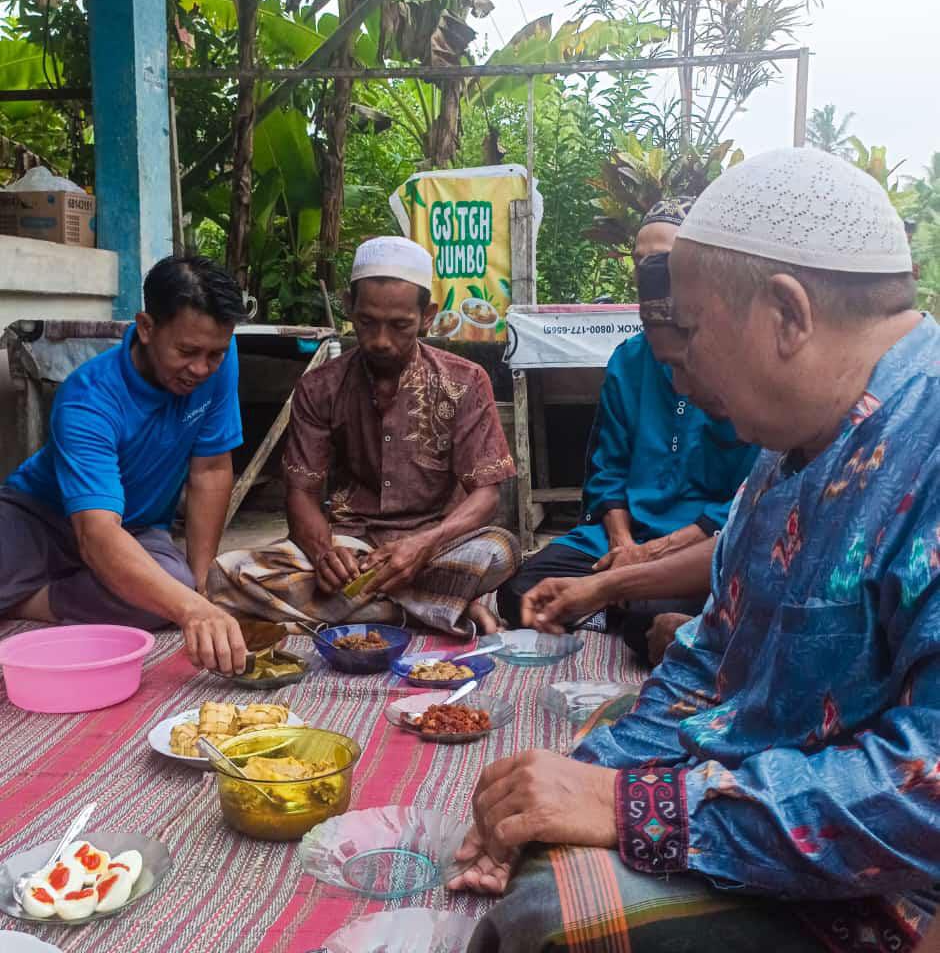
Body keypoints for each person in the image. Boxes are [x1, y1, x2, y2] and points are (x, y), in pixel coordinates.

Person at [450, 148, 940, 951]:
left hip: (894, 891)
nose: (688, 378)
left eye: (700, 333)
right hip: (761, 785)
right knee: (566, 769)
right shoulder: (788, 451)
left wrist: (629, 808)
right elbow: (710, 654)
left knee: (550, 920)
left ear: (787, 316)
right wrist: (581, 782)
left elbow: (925, 796)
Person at [208, 236, 520, 637]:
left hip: (435, 549)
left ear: (428, 315)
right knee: (227, 576)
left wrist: (424, 543)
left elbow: (486, 496)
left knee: (500, 551)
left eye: (400, 325)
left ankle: (377, 607)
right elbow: (301, 493)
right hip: (349, 547)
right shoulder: (320, 387)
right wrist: (324, 554)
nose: (381, 341)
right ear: (349, 306)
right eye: (367, 322)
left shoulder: (466, 381)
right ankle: (424, 610)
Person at [497, 200, 758, 665]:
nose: (649, 270)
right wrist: (624, 546)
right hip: (626, 538)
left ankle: (609, 606)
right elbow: (609, 469)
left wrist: (658, 552)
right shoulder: (629, 359)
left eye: (665, 260)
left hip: (702, 543)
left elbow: (745, 503)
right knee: (519, 591)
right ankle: (609, 602)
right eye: (641, 261)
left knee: (650, 620)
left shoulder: (740, 366)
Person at [0, 255, 249, 675]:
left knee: (177, 584)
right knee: (169, 598)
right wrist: (191, 611)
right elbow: (96, 533)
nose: (202, 369)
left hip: (135, 530)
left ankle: (30, 600)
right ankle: (53, 587)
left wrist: (202, 586)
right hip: (39, 516)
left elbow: (210, 469)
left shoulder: (216, 359)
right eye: (187, 352)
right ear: (147, 328)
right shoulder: (88, 398)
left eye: (215, 355)